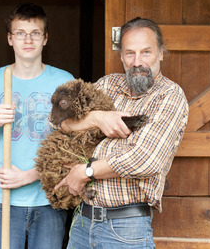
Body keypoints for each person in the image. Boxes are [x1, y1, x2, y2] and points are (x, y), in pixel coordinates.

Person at [55, 17, 189, 249]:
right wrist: (98, 118)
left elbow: (145, 159)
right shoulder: (108, 85)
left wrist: (85, 171)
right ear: (121, 57)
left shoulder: (169, 96)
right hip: (82, 223)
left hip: (126, 229)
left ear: (161, 54)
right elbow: (58, 119)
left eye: (146, 52)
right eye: (130, 53)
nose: (137, 62)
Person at [0, 3, 74, 249]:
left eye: (35, 33)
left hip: (50, 197)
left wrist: (29, 176)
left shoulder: (65, 82)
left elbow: (74, 149)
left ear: (45, 38)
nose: (27, 39)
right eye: (20, 33)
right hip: (3, 199)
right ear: (10, 39)